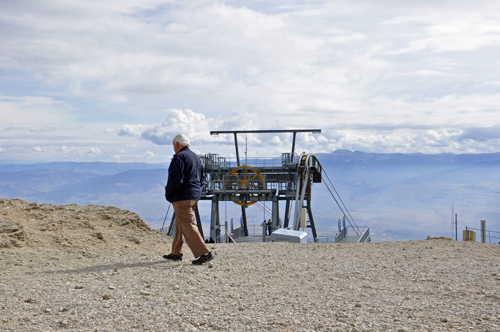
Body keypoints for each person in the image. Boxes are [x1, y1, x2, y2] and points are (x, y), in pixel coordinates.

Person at [163, 134, 213, 265]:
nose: (174, 148)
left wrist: (168, 193)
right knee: (181, 223)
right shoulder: (196, 157)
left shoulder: (179, 157)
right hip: (194, 195)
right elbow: (202, 178)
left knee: (188, 224)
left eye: (174, 145)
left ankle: (204, 253)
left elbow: (175, 179)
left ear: (178, 145)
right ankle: (176, 253)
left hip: (182, 197)